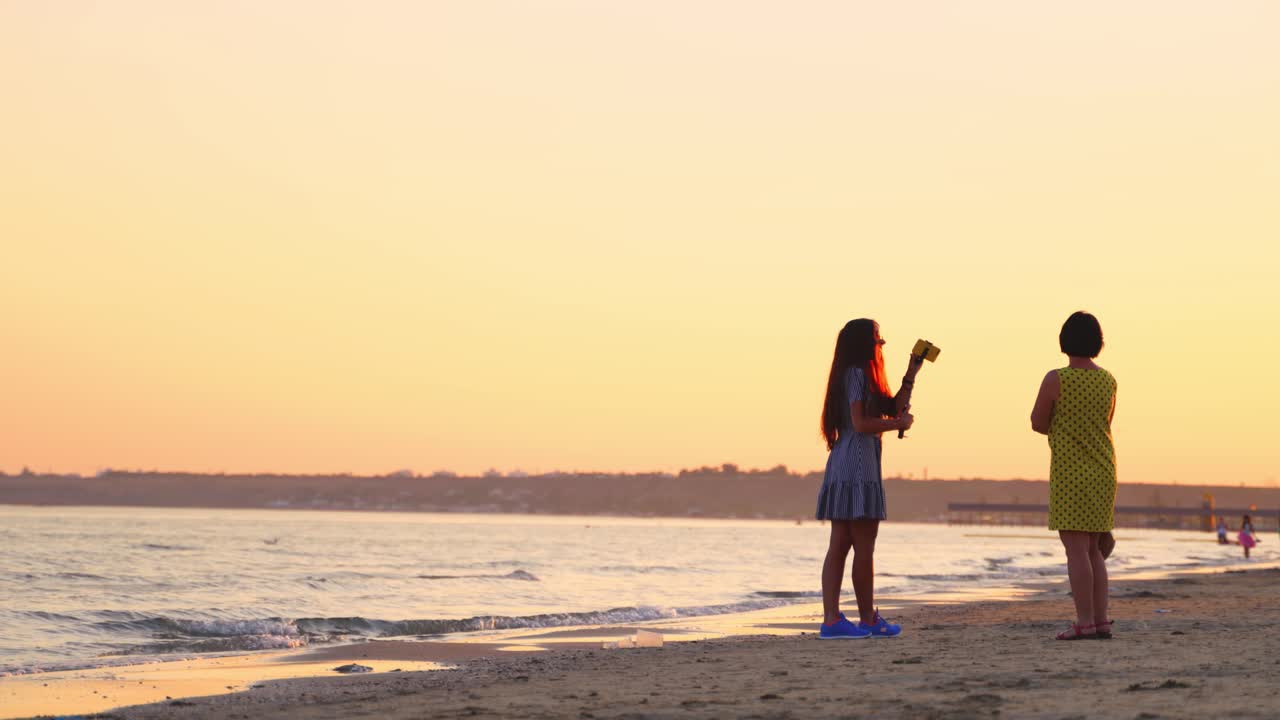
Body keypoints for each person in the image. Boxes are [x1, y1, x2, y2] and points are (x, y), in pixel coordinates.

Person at [815, 318, 923, 639]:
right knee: (862, 545)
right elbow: (862, 423)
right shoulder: (857, 375)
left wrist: (911, 374)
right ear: (863, 342)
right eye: (877, 338)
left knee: (842, 544)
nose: (881, 343)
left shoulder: (854, 376)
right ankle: (864, 618)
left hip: (845, 466)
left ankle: (835, 619)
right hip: (858, 469)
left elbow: (892, 408)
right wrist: (899, 424)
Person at [1031, 311, 1117, 641]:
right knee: (1094, 548)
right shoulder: (1108, 380)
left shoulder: (1057, 379)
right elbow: (1106, 420)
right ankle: (1100, 619)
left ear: (1065, 341)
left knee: (1076, 549)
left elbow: (1038, 422)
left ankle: (1084, 621)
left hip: (1070, 472)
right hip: (1104, 469)